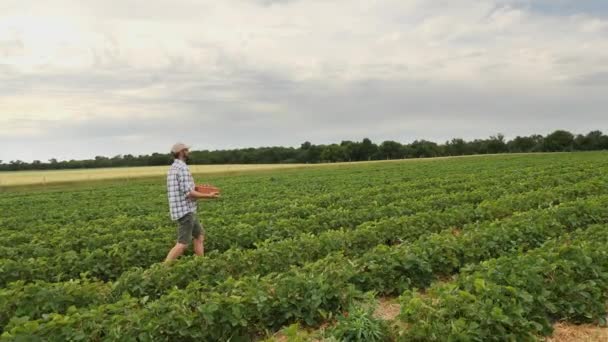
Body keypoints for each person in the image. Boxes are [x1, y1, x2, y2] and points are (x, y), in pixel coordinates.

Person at [165, 143, 219, 263]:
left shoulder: (173, 167)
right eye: (186, 150)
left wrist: (201, 188)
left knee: (199, 236)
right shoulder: (182, 168)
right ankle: (162, 269)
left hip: (185, 209)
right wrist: (208, 196)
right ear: (181, 152)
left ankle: (201, 263)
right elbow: (189, 193)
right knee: (182, 244)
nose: (188, 152)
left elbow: (186, 188)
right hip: (185, 210)